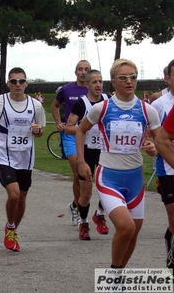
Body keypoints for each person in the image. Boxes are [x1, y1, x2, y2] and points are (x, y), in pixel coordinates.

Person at [76, 59, 160, 269]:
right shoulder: (102, 108)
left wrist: (153, 147)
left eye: (133, 77)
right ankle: (114, 272)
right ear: (113, 82)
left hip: (134, 179)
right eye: (123, 78)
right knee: (125, 227)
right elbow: (80, 130)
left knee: (133, 232)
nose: (129, 81)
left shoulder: (147, 110)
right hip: (109, 177)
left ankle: (118, 275)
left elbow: (160, 141)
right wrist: (82, 160)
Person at [0, 67, 45, 252]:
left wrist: (38, 130)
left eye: (21, 81)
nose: (17, 85)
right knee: (14, 194)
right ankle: (11, 227)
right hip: (4, 155)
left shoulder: (36, 106)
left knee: (22, 197)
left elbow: (41, 131)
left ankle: (12, 229)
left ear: (26, 83)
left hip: (26, 156)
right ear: (9, 83)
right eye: (14, 81)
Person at [65, 70, 109, 240]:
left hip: (104, 151)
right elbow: (69, 127)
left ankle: (99, 214)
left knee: (108, 188)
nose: (98, 85)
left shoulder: (108, 101)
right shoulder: (81, 104)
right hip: (86, 151)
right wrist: (85, 128)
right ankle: (83, 222)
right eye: (94, 82)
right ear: (87, 85)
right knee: (87, 194)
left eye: (100, 81)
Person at [51, 60, 91, 226]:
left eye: (86, 69)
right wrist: (59, 122)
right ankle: (79, 213)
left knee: (90, 177)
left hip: (91, 137)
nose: (83, 72)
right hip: (71, 135)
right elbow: (54, 106)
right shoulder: (67, 89)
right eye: (80, 69)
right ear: (75, 72)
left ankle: (77, 204)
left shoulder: (95, 89)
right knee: (78, 173)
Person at [151, 59, 174, 272]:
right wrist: (151, 144)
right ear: (168, 78)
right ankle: (171, 257)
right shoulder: (159, 104)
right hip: (167, 169)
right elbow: (151, 133)